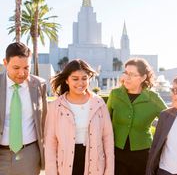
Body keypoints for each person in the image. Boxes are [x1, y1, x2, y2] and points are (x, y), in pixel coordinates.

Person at [45, 59, 114, 175]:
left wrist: (109, 171)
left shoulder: (99, 103)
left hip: (95, 162)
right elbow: (50, 142)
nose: (80, 83)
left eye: (84, 78)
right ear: (67, 80)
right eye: (75, 79)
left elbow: (108, 138)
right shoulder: (56, 106)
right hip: (66, 163)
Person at [107, 57, 167, 175]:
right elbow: (104, 121)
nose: (127, 78)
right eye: (126, 73)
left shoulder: (153, 98)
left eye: (132, 74)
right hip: (116, 152)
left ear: (143, 77)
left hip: (143, 153)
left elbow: (169, 118)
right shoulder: (115, 94)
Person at [0, 42, 47, 175]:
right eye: (16, 67)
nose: (22, 73)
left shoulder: (39, 85)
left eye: (26, 67)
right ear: (5, 62)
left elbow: (44, 120)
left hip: (29, 155)